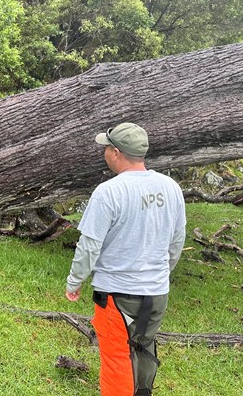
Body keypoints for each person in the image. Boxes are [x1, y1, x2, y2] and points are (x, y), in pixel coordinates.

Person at [65, 123, 186, 396]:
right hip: (157, 294)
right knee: (143, 349)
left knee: (117, 358)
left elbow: (89, 245)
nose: (104, 152)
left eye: (106, 148)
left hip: (118, 296)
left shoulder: (109, 192)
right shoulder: (170, 187)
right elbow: (177, 241)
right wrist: (161, 273)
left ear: (116, 153)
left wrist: (75, 281)